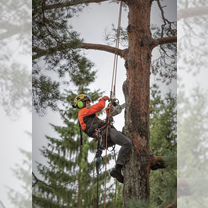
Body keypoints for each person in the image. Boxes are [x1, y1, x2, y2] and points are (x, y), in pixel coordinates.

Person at [73, 94, 132, 183]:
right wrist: (104, 99)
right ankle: (117, 169)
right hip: (106, 133)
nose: (90, 104)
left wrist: (108, 114)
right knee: (127, 143)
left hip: (104, 138)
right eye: (88, 102)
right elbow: (100, 106)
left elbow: (102, 124)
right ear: (82, 104)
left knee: (124, 136)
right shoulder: (82, 112)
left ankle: (119, 168)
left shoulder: (88, 118)